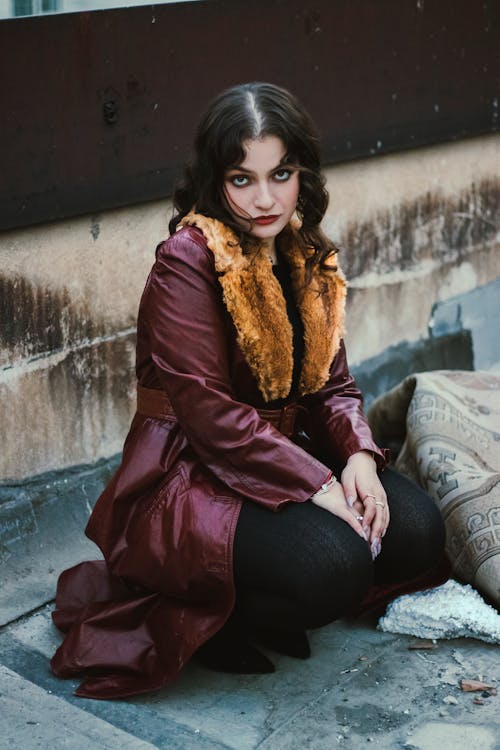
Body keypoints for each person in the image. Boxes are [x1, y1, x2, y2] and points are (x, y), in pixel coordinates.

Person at [50, 82, 447, 700]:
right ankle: (219, 618)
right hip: (190, 473)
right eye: (242, 179)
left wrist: (361, 459)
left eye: (280, 174)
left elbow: (332, 385)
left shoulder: (305, 252)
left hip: (279, 453)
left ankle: (270, 593)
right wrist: (320, 485)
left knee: (417, 528)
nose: (265, 199)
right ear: (216, 180)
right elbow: (210, 418)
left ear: (302, 172)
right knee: (337, 563)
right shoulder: (186, 261)